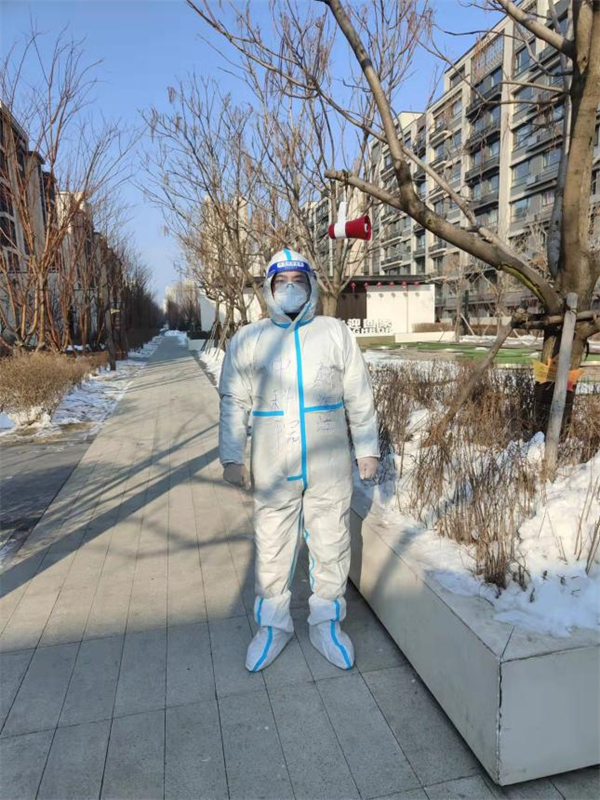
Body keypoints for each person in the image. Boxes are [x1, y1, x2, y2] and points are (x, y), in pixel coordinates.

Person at [218, 248, 379, 672]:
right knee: (272, 545)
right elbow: (233, 401)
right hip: (273, 465)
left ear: (311, 286)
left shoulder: (334, 333)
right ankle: (273, 625)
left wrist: (367, 448)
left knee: (331, 541)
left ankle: (326, 621)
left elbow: (359, 394)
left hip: (328, 463)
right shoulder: (249, 340)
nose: (290, 289)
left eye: (298, 281)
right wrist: (232, 456)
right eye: (281, 282)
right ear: (269, 289)